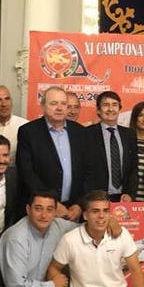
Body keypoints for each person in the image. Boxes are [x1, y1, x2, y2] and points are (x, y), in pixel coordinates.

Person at [16, 86, 90, 220]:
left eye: (63, 103)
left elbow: (88, 171)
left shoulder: (81, 132)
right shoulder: (28, 132)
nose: (60, 108)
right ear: (43, 106)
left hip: (73, 209)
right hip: (41, 209)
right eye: (54, 103)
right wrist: (52, 203)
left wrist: (80, 204)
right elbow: (27, 173)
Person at [86, 91, 139, 202]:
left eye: (114, 105)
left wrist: (130, 193)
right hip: (96, 199)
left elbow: (133, 168)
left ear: (119, 109)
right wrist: (95, 196)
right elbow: (85, 170)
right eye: (106, 105)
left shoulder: (129, 134)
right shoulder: (87, 134)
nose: (110, 109)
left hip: (123, 199)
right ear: (98, 110)